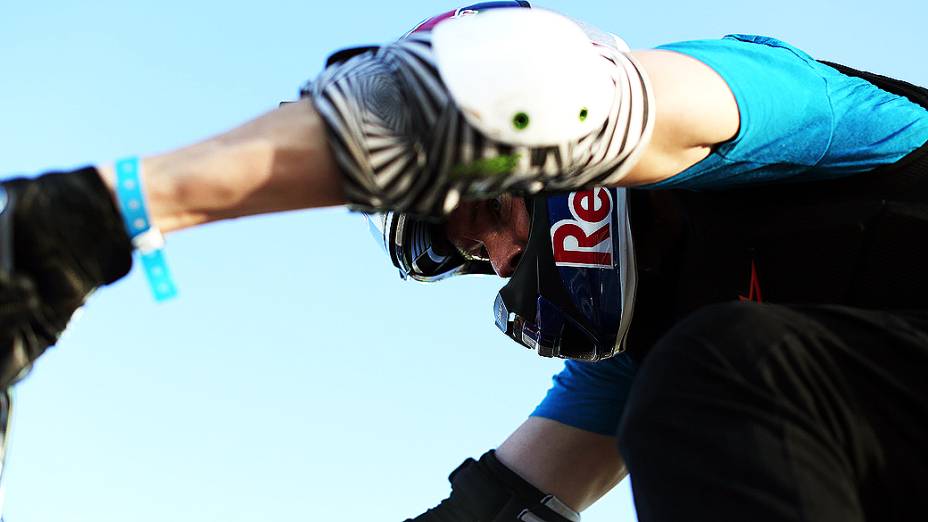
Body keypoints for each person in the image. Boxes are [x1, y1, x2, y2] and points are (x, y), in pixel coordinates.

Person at [2, 2, 928, 520]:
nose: (501, 257)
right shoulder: (644, 359)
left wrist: (107, 214)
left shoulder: (796, 116)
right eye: (472, 257)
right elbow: (493, 518)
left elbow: (534, 86)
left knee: (726, 368)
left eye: (487, 210)